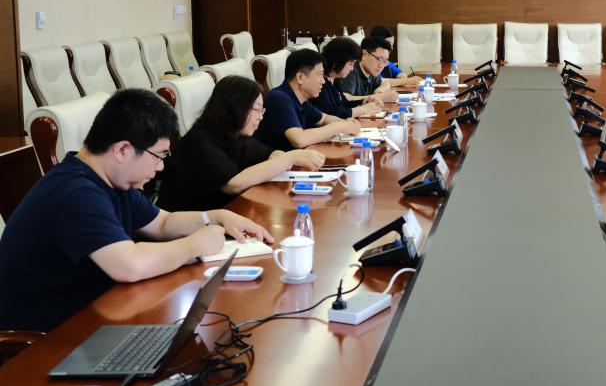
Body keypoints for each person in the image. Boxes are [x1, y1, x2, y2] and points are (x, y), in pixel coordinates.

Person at [0, 89, 274, 332]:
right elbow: (129, 265)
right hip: (46, 340)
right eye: (159, 155)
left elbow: (163, 223)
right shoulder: (75, 192)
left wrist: (215, 217)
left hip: (94, 315)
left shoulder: (112, 180)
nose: (161, 167)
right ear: (123, 150)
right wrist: (194, 245)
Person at [158, 76, 327, 211]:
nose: (261, 117)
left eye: (262, 110)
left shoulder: (235, 134)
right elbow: (234, 184)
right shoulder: (201, 140)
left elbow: (267, 153)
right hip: (186, 229)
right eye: (257, 109)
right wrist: (290, 158)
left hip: (225, 215)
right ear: (235, 107)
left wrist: (278, 156)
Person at [254, 48, 363, 152]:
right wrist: (340, 126)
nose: (323, 81)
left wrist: (347, 124)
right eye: (320, 74)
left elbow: (324, 119)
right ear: (300, 77)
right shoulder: (279, 98)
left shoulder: (301, 100)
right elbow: (299, 140)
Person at [316, 37, 385, 119]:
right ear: (337, 61)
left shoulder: (334, 79)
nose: (352, 68)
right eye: (350, 64)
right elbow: (332, 114)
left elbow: (343, 102)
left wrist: (364, 101)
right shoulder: (320, 83)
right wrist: (362, 110)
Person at [336, 36, 400, 103]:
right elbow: (345, 99)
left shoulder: (371, 72)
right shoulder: (350, 70)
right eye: (379, 59)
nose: (381, 66)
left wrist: (378, 92)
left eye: (385, 61)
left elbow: (385, 83)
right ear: (364, 54)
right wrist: (380, 97)